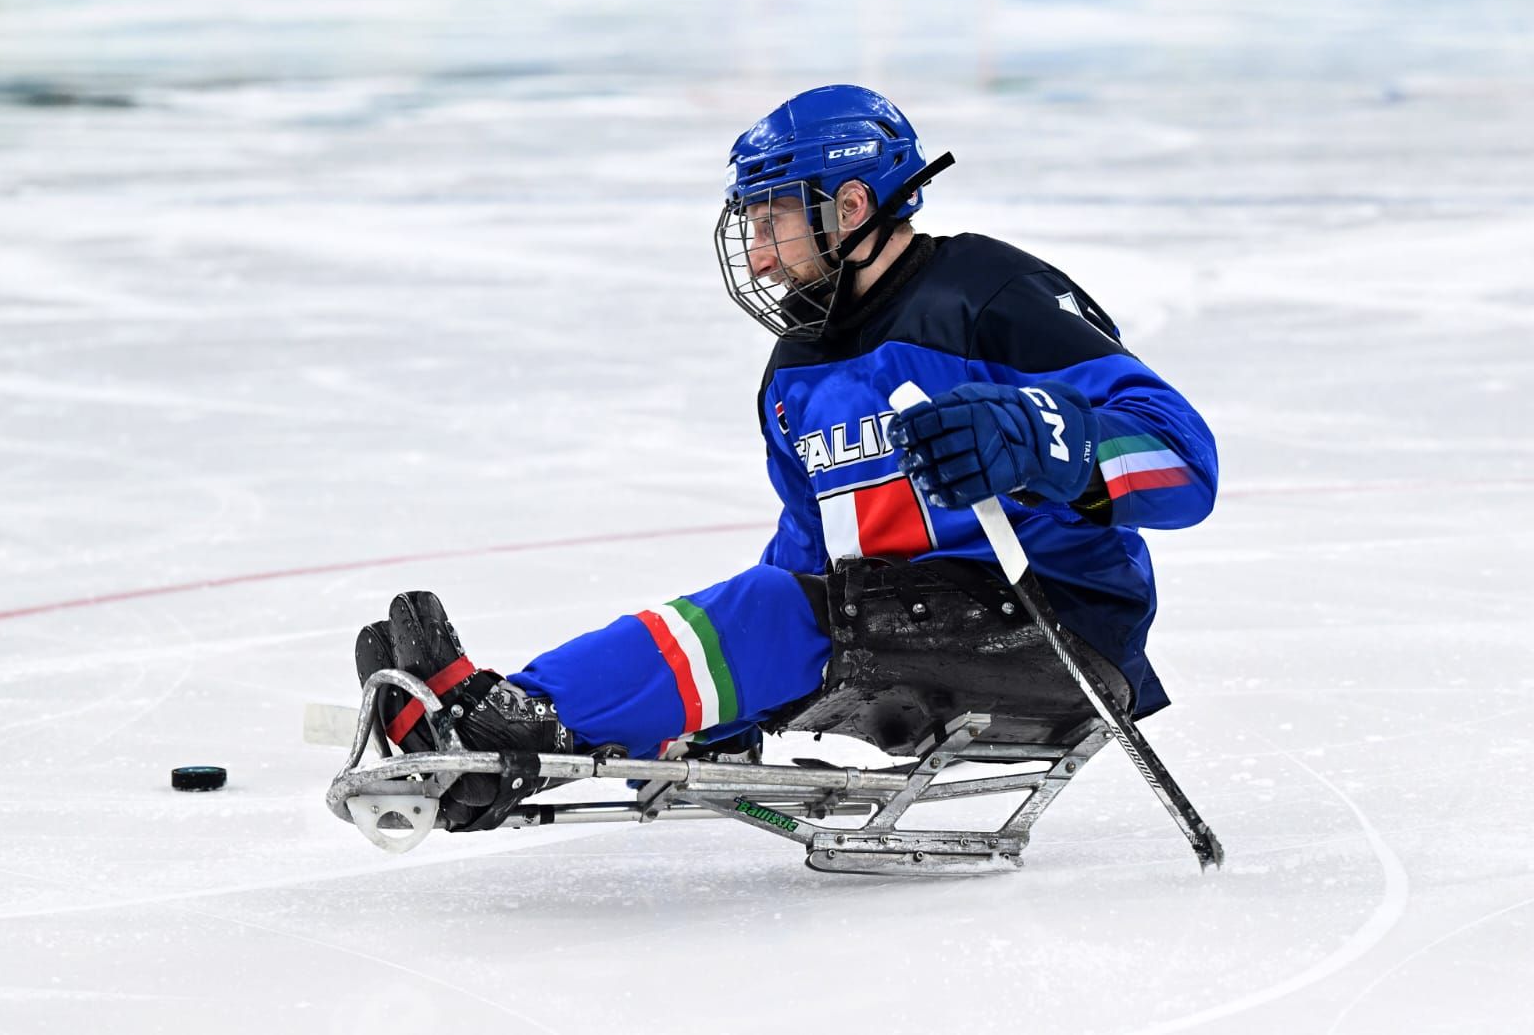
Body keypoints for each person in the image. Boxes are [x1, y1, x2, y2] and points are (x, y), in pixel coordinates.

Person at [354, 85, 1219, 832]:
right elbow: (810, 564)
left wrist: (1043, 441)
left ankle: (514, 722)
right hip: (911, 627)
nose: (761, 257)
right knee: (771, 601)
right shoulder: (796, 370)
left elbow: (1184, 461)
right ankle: (507, 731)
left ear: (851, 206)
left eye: (773, 219)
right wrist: (719, 704)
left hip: (1055, 626)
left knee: (772, 609)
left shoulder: (989, 295)